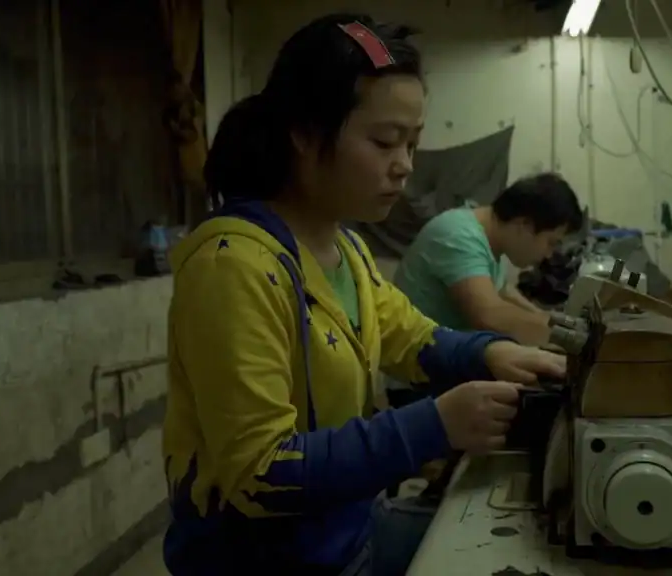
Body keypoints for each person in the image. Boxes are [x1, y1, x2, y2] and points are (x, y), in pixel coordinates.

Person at [161, 13, 565, 576]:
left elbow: (416, 339)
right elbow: (261, 474)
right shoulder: (234, 267)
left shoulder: (344, 250)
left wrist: (490, 353)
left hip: (345, 535)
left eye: (412, 143)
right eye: (383, 141)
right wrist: (434, 424)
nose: (404, 166)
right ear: (302, 133)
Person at [393, 174, 583, 347]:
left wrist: (547, 318)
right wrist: (564, 337)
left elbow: (500, 289)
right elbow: (489, 314)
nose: (549, 255)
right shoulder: (459, 235)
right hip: (414, 378)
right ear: (524, 224)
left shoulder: (489, 234)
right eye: (551, 242)